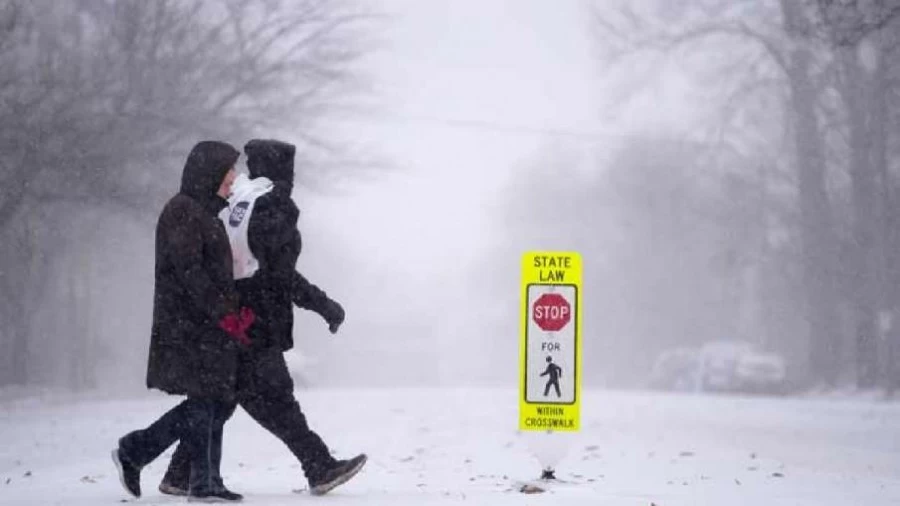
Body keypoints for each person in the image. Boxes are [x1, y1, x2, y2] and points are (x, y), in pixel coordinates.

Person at [157, 139, 366, 498]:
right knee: (275, 399)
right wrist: (324, 305)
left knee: (221, 400)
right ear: (284, 171)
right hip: (256, 320)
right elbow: (281, 275)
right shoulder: (275, 205)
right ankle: (318, 467)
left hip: (230, 315)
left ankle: (177, 472)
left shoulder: (239, 200)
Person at [110, 141, 256, 502]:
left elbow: (214, 273)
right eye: (228, 170)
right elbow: (189, 271)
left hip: (211, 325)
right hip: (189, 327)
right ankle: (156, 460)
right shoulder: (183, 212)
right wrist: (223, 311)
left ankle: (200, 478)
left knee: (217, 400)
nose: (234, 178)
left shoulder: (206, 213)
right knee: (207, 402)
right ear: (209, 172)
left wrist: (234, 311)